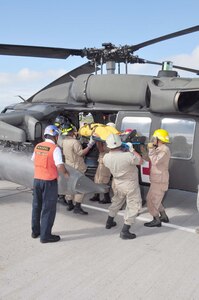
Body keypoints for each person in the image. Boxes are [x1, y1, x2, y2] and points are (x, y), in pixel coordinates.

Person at [31, 125, 70, 243]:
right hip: (49, 182)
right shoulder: (55, 148)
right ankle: (45, 236)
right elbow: (59, 165)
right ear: (55, 136)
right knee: (48, 208)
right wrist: (66, 173)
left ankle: (36, 231)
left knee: (37, 206)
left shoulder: (38, 146)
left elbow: (33, 159)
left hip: (37, 180)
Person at [103, 134, 143, 240]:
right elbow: (140, 160)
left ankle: (109, 222)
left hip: (117, 183)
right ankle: (125, 231)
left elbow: (116, 158)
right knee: (133, 205)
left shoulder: (106, 157)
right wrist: (132, 149)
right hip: (130, 184)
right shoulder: (128, 156)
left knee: (116, 201)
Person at [62, 122, 95, 214]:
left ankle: (69, 204)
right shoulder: (74, 142)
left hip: (68, 166)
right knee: (80, 187)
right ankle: (77, 207)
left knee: (69, 185)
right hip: (77, 167)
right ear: (71, 131)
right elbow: (81, 153)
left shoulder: (64, 141)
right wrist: (90, 145)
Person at [144, 129, 170, 228]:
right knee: (155, 199)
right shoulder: (159, 148)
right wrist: (144, 150)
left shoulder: (164, 149)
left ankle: (156, 220)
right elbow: (149, 158)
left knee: (151, 200)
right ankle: (163, 216)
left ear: (158, 139)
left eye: (154, 138)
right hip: (157, 179)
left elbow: (155, 161)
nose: (153, 139)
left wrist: (151, 150)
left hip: (160, 180)